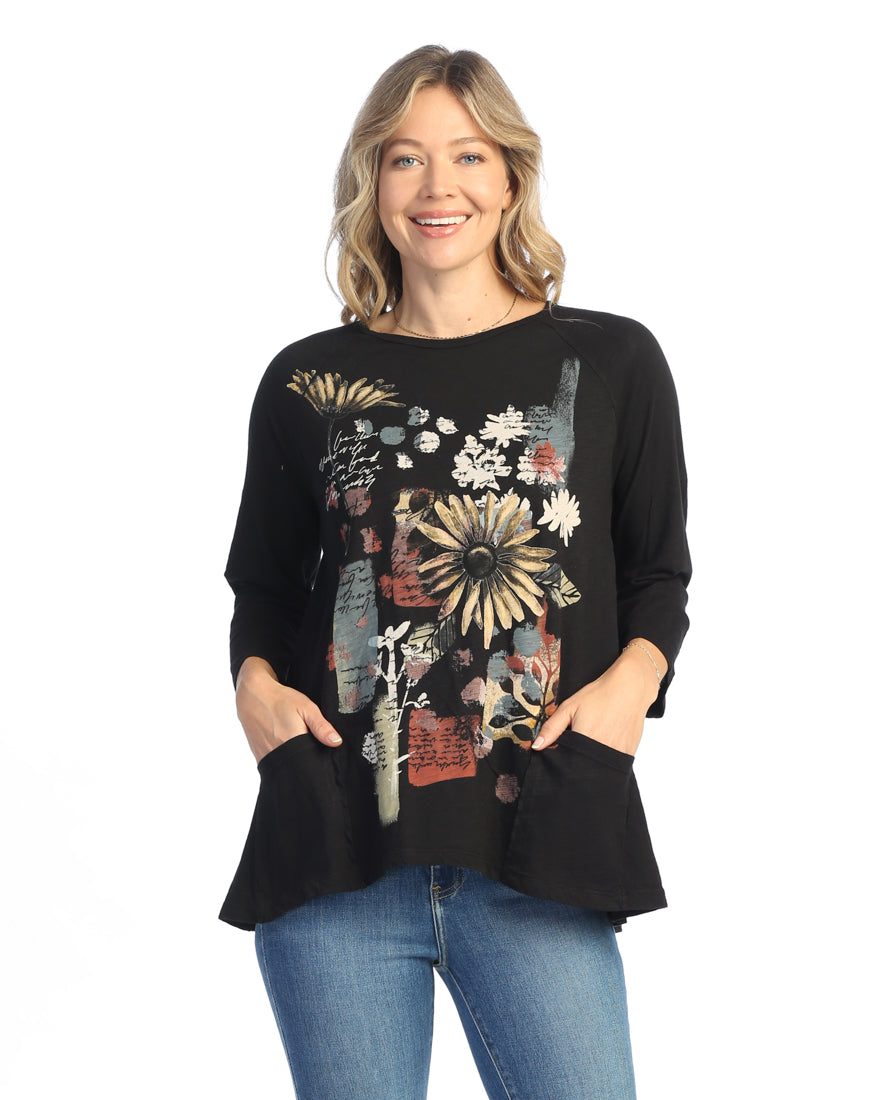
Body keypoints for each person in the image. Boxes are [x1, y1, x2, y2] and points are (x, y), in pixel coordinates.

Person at [220, 44, 691, 1100]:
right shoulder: (307, 380)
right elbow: (265, 585)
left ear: (511, 176)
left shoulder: (611, 361)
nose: (439, 187)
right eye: (406, 158)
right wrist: (252, 685)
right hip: (337, 850)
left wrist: (632, 685)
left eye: (469, 156)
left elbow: (659, 573)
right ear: (372, 182)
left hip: (541, 846)